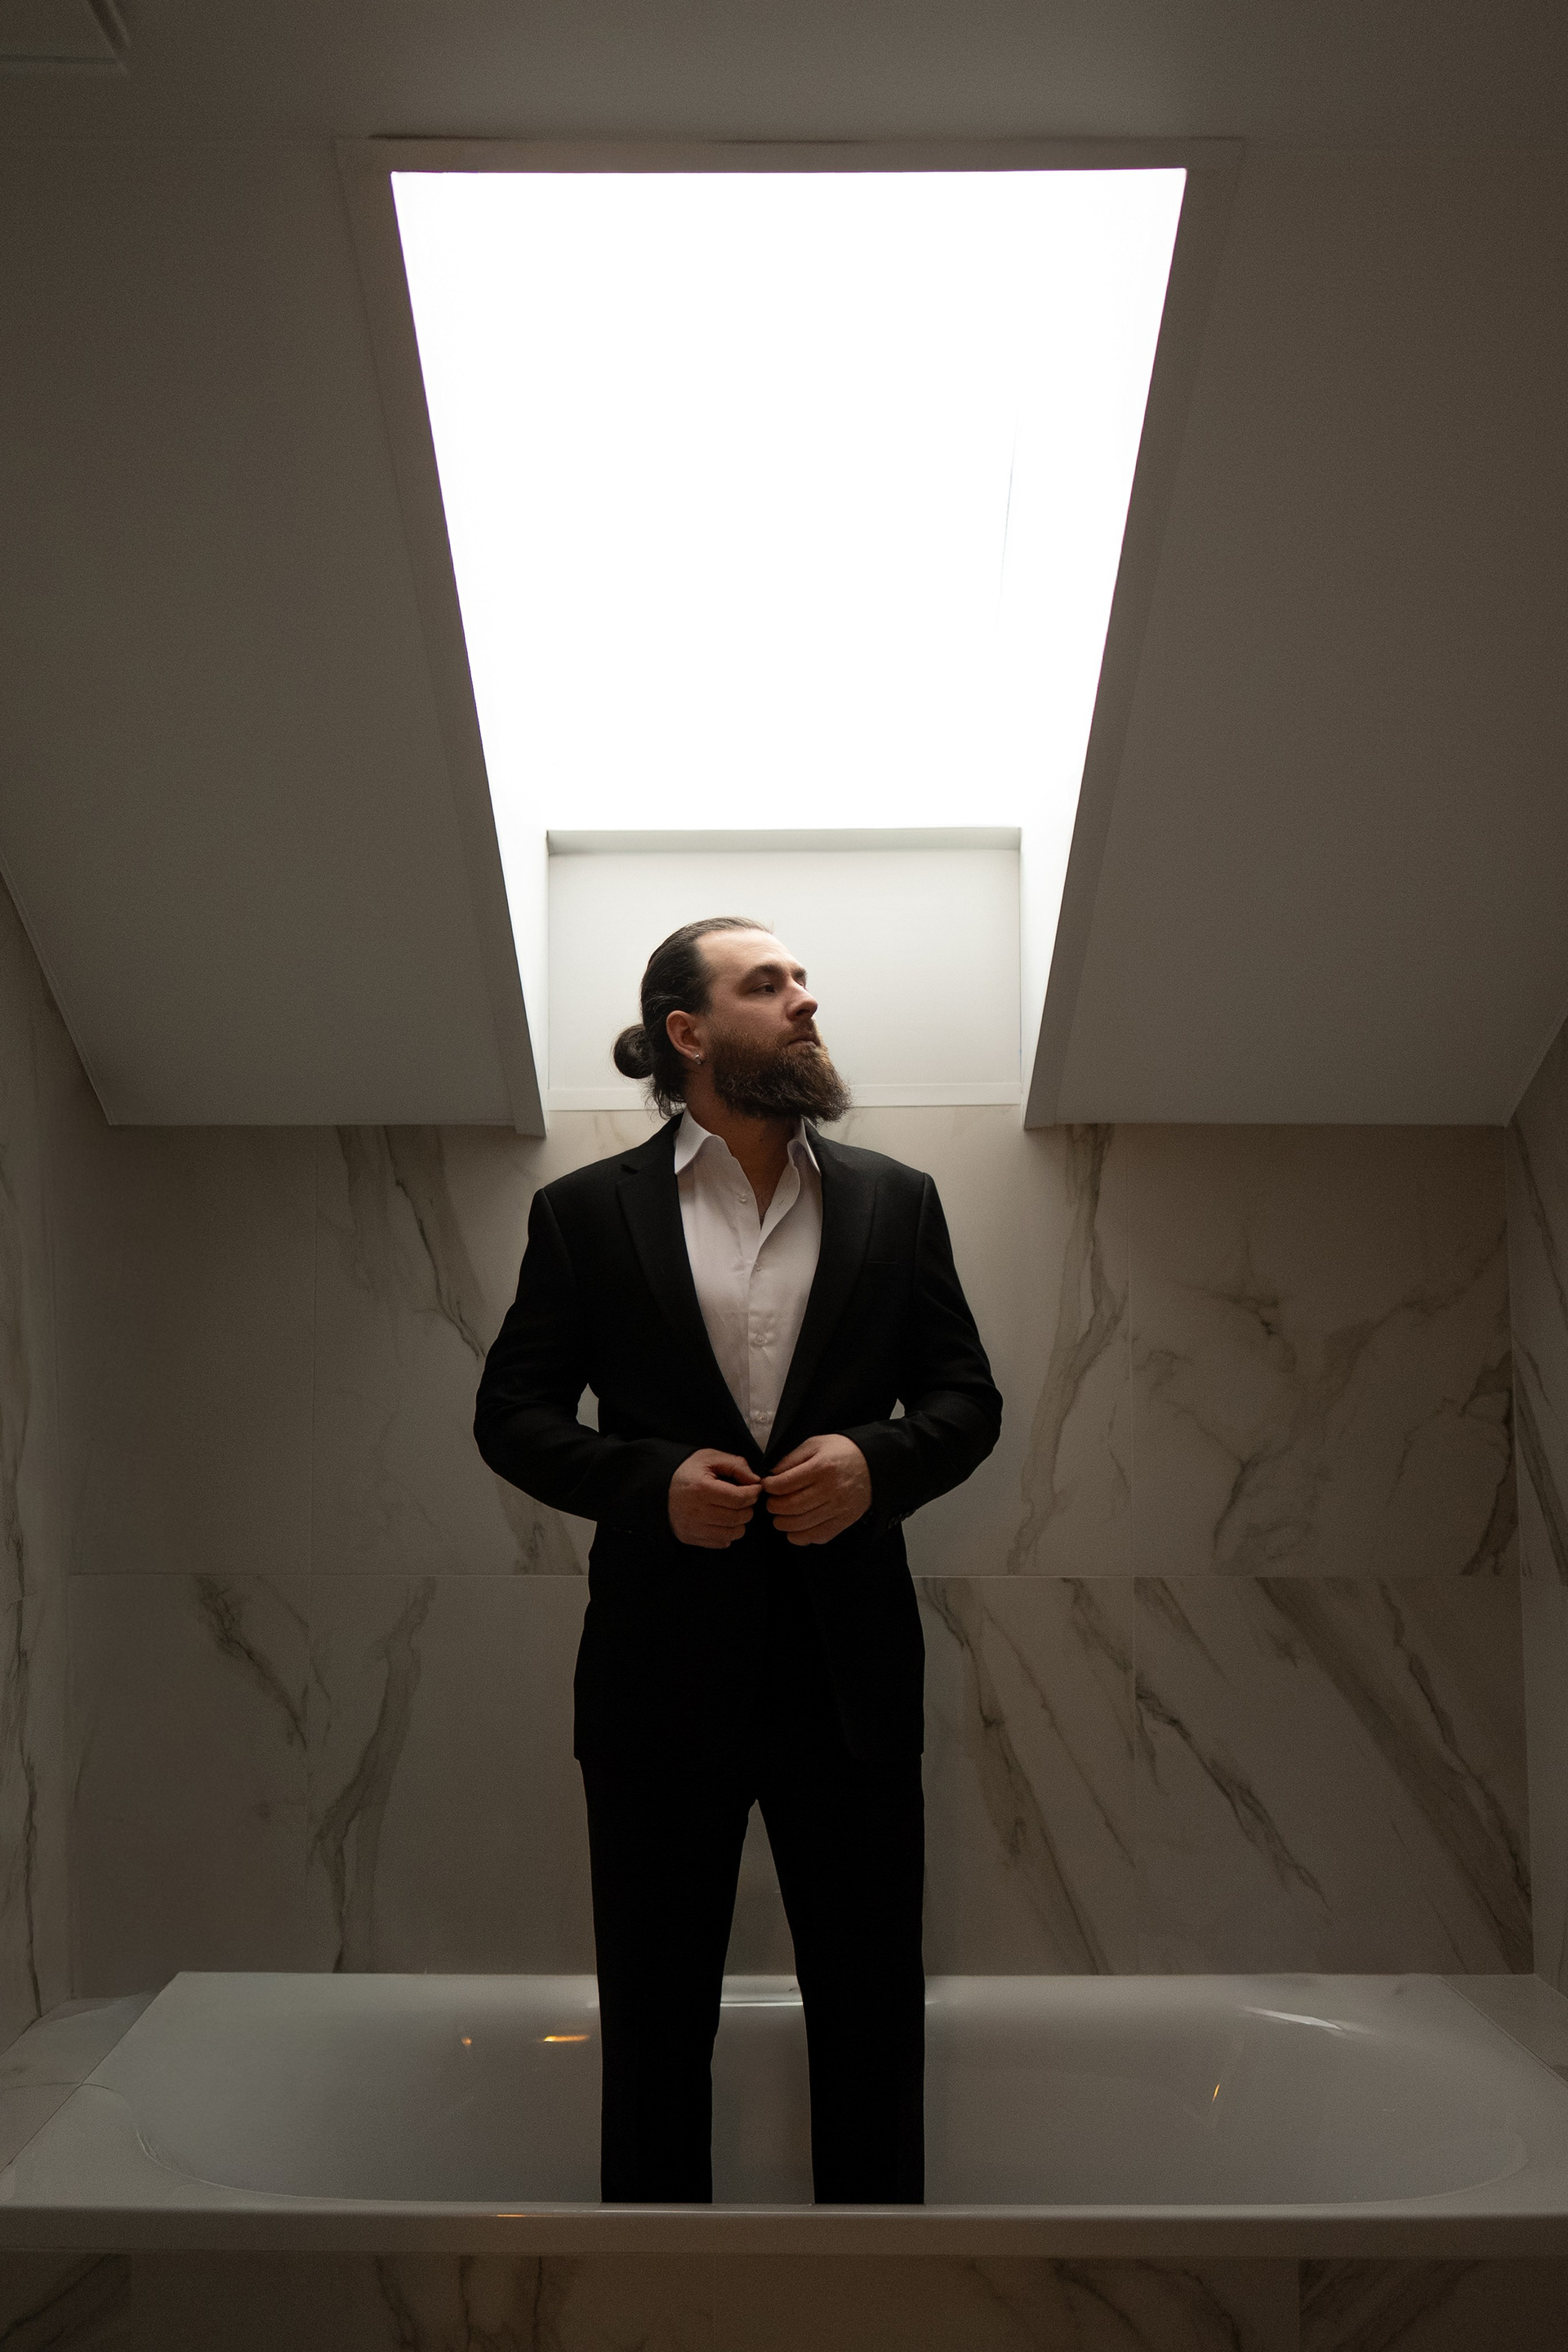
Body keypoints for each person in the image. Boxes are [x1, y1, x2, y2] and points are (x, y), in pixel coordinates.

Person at [474, 916, 1002, 2205]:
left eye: (805, 979)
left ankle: (874, 2288)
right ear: (689, 1032)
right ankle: (653, 2292)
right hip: (656, 1681)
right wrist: (648, 1485)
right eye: (768, 984)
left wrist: (875, 1462)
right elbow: (513, 1416)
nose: (806, 1000)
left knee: (872, 2017)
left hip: (850, 1678)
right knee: (654, 2024)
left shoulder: (895, 1200)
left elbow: (966, 1401)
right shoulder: (584, 1215)